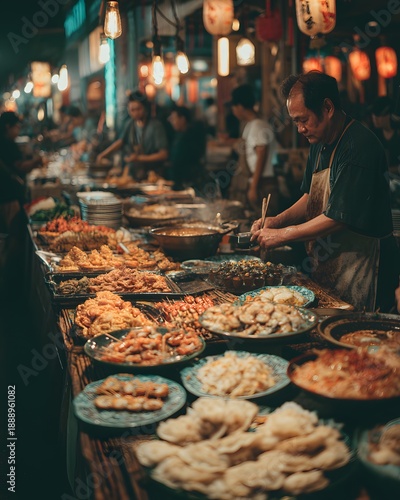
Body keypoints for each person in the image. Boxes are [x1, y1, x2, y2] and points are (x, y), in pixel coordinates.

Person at [251, 71, 400, 312]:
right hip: (334, 261)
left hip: (366, 266)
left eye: (303, 120)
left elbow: (338, 217)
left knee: (358, 341)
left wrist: (283, 235)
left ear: (328, 108)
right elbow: (310, 197)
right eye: (295, 122)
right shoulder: (318, 142)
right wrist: (277, 221)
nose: (300, 129)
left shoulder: (358, 147)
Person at [96, 91, 168, 181]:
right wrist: (103, 155)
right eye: (132, 110)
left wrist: (139, 158)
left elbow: (163, 154)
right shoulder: (130, 124)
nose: (135, 113)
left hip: (154, 175)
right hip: (135, 175)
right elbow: (120, 142)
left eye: (138, 109)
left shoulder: (156, 126)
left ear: (145, 108)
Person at [230, 84, 279, 215]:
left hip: (264, 184)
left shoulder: (258, 125)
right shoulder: (251, 125)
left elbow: (262, 153)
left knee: (265, 223)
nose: (233, 111)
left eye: (234, 107)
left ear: (240, 106)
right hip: (259, 183)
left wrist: (253, 186)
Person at [167, 106, 207, 191]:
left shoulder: (191, 137)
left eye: (174, 119)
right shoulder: (179, 135)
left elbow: (182, 161)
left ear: (183, 119)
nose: (172, 122)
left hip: (188, 183)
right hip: (180, 182)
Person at [370, 96, 400, 171]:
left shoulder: (398, 134)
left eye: (378, 114)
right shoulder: (375, 134)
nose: (374, 118)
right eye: (373, 114)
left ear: (390, 114)